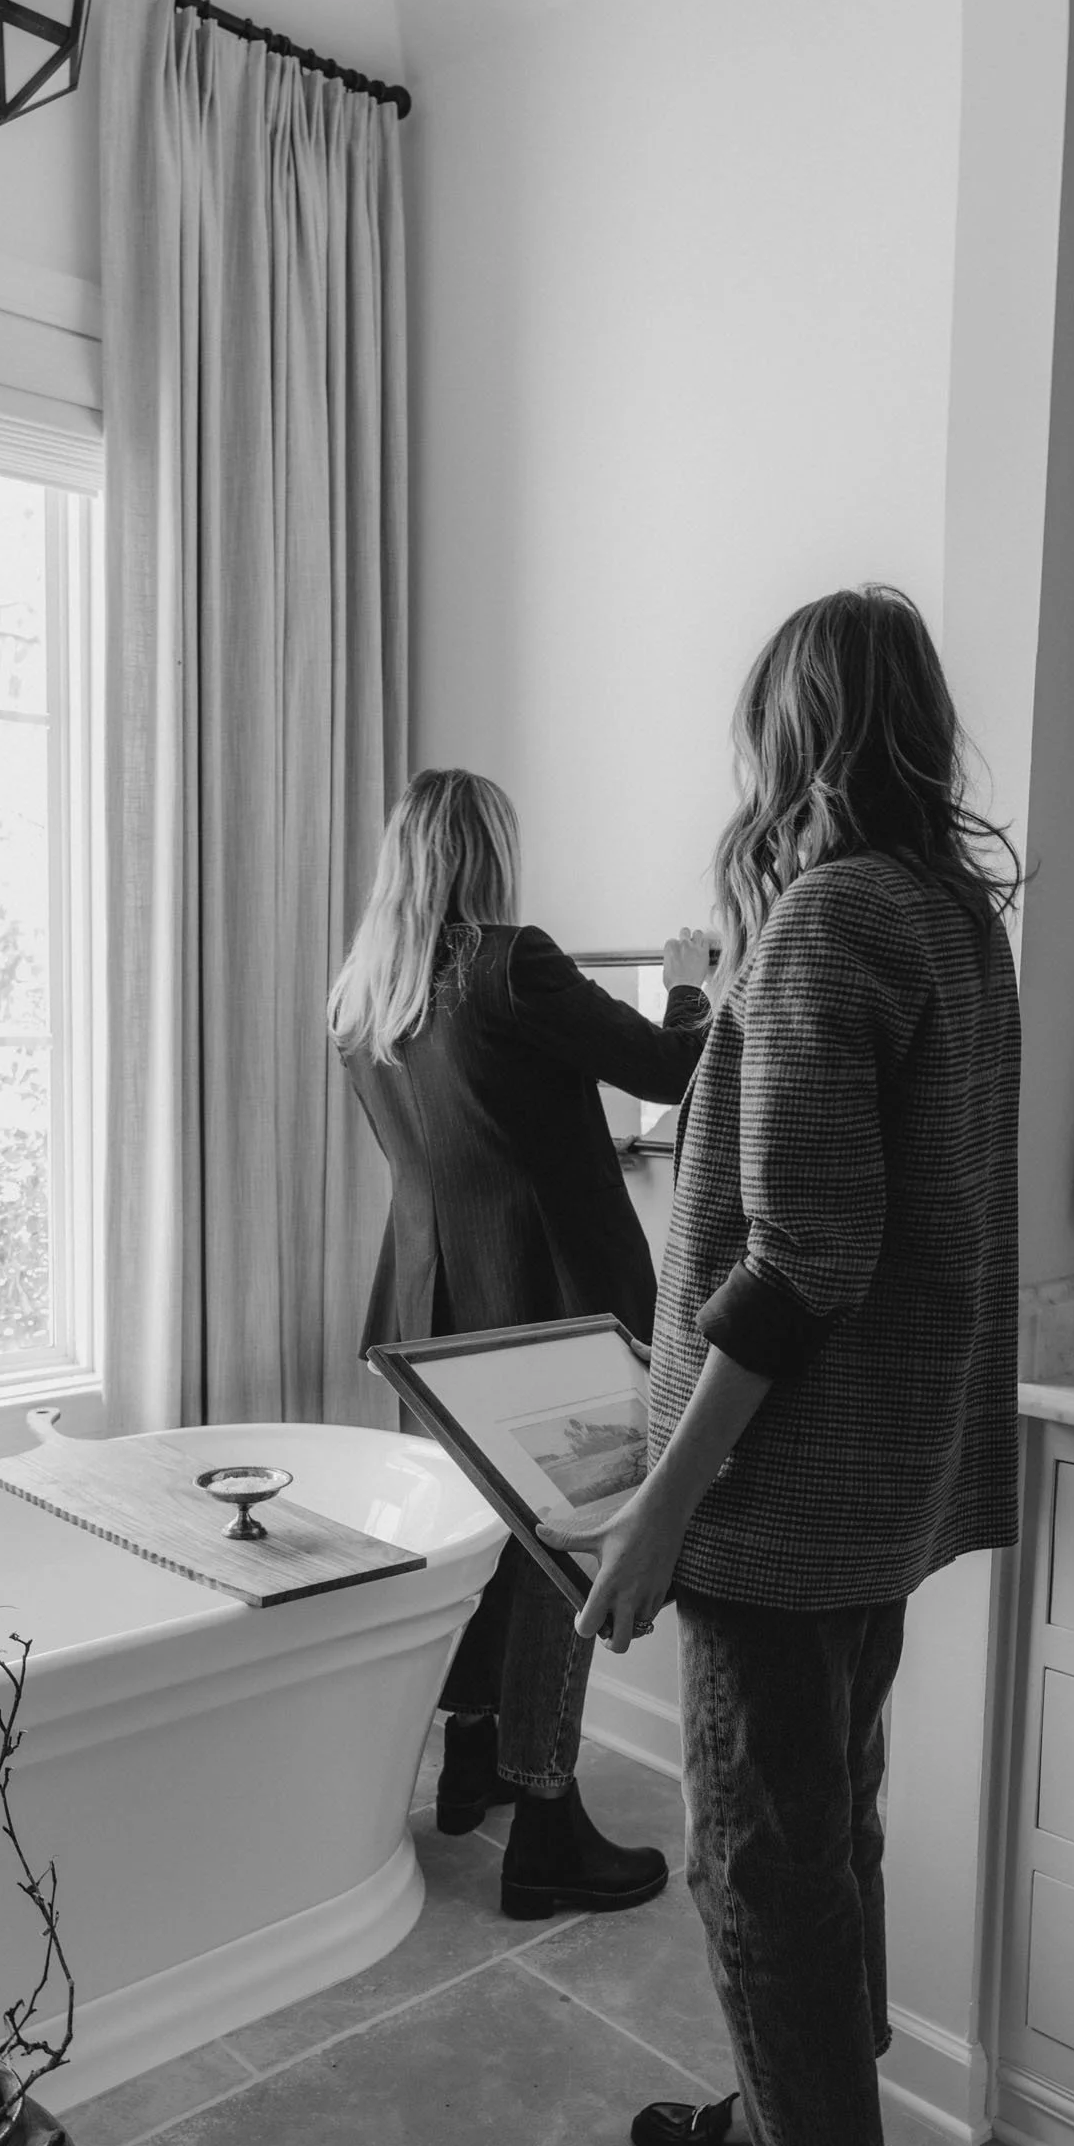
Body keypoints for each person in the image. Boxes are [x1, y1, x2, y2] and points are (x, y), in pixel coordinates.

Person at [540, 586, 1022, 2146]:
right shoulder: (956, 929)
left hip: (779, 1499)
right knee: (830, 1825)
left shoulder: (826, 924)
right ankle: (784, 2112)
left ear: (793, 732)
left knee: (755, 1856)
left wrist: (661, 1506)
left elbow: (808, 1246)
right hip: (882, 1492)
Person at [329, 770, 712, 1917]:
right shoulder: (508, 961)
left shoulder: (363, 996)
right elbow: (669, 1069)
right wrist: (688, 986)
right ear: (485, 853)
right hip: (548, 1319)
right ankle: (545, 1822)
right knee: (563, 1558)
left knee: (477, 1544)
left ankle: (474, 1766)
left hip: (430, 1319)